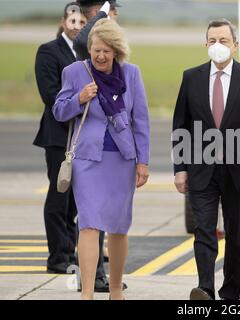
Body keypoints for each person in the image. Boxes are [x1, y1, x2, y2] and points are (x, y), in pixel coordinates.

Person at [172, 19, 240, 300]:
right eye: (212, 41)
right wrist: (180, 168)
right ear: (206, 45)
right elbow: (181, 125)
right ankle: (205, 288)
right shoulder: (191, 77)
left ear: (235, 45)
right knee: (204, 230)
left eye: (223, 41)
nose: (218, 46)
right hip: (201, 169)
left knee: (238, 237)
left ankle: (230, 294)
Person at [53, 18, 150, 300]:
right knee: (89, 223)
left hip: (122, 160)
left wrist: (143, 162)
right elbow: (58, 111)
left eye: (107, 50)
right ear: (90, 49)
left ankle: (116, 290)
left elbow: (140, 121)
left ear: (117, 51)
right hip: (87, 161)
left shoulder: (131, 75)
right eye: (96, 49)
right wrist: (79, 99)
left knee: (119, 227)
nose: (100, 55)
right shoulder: (75, 72)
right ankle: (86, 293)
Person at [34, 2, 87, 274]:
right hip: (59, 136)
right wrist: (80, 103)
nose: (77, 26)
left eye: (81, 21)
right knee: (59, 197)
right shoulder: (48, 51)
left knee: (77, 200)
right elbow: (50, 94)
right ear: (63, 22)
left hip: (83, 136)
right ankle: (58, 257)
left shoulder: (87, 51)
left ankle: (74, 251)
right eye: (73, 21)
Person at [74, 0, 122, 292]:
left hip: (107, 149)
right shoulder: (85, 45)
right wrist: (104, 13)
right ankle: (90, 280)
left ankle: (96, 278)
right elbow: (83, 40)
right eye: (113, 14)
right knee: (88, 219)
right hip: (80, 146)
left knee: (95, 218)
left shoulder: (117, 64)